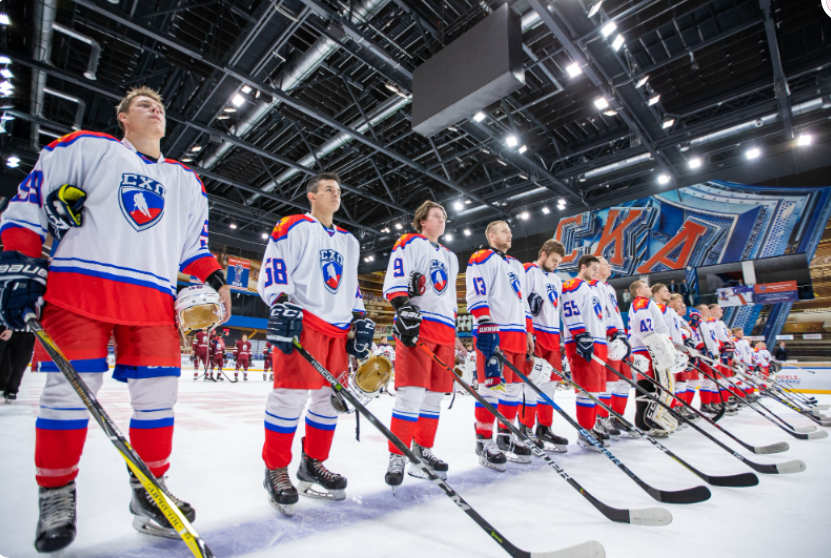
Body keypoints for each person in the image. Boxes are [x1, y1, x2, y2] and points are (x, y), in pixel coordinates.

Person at [0, 85, 231, 552]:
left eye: (160, 106)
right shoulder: (85, 148)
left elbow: (194, 247)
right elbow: (28, 206)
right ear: (122, 117)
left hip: (154, 299)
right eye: (144, 105)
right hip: (79, 287)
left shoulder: (186, 181)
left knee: (159, 397)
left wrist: (217, 279)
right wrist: (19, 262)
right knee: (69, 392)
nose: (155, 109)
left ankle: (150, 492)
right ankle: (56, 494)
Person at [257, 172, 373, 516]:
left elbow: (351, 284)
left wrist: (359, 317)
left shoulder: (349, 241)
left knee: (328, 402)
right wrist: (279, 300)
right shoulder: (293, 226)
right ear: (312, 196)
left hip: (338, 330)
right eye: (328, 189)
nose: (336, 194)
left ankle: (313, 463)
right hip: (303, 321)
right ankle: (275, 469)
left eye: (339, 190)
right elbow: (275, 265)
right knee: (289, 396)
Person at [381, 200, 459, 488]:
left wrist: (455, 331)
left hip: (445, 330)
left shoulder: (451, 256)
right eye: (436, 215)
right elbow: (397, 275)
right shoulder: (410, 242)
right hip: (420, 325)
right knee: (411, 393)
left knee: (435, 396)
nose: (442, 220)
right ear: (422, 221)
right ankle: (398, 454)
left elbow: (450, 296)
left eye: (444, 216)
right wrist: (402, 307)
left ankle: (422, 449)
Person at [465, 221, 534, 470]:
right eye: (504, 231)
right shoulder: (481, 257)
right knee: (491, 388)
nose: (510, 234)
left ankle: (506, 436)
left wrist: (529, 332)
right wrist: (485, 323)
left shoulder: (516, 265)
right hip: (494, 332)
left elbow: (523, 301)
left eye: (510, 231)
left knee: (514, 389)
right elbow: (476, 291)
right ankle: (483, 440)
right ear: (491, 235)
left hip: (517, 334)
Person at [520, 240, 569, 452]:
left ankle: (544, 428)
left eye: (559, 262)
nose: (556, 264)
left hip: (553, 336)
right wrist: (527, 330)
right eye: (554, 260)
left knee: (550, 384)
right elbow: (520, 300)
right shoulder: (528, 270)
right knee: (531, 383)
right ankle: (525, 428)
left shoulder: (556, 280)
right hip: (536, 334)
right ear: (543, 254)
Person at [560, 255, 610, 450]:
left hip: (597, 341)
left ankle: (591, 427)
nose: (596, 272)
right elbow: (570, 310)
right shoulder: (572, 285)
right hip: (582, 341)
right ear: (583, 267)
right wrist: (580, 334)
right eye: (593, 268)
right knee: (586, 390)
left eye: (598, 268)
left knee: (595, 390)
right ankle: (585, 432)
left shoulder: (592, 289)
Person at [626, 280, 672, 433]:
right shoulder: (642, 303)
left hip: (645, 346)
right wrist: (656, 344)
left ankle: (646, 419)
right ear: (639, 290)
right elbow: (643, 327)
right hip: (645, 347)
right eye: (645, 286)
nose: (649, 288)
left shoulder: (645, 303)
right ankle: (644, 420)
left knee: (650, 381)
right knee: (648, 380)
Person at [593, 257, 631, 438]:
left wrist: (622, 335)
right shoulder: (593, 286)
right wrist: (611, 334)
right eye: (605, 263)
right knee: (608, 382)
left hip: (619, 337)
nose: (609, 266)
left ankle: (617, 417)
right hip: (607, 338)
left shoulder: (609, 287)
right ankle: (602, 418)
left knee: (624, 380)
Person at [0, 327, 36, 403]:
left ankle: (11, 390)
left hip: (27, 332)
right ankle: (3, 386)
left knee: (21, 362)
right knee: (4, 360)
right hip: (4, 328)